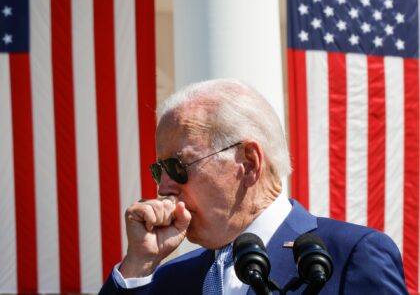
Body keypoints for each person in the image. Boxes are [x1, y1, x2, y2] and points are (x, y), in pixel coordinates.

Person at [100, 79, 408, 294]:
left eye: (178, 167)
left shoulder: (350, 254)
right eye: (159, 170)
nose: (164, 187)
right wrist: (138, 265)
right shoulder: (171, 278)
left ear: (248, 162)